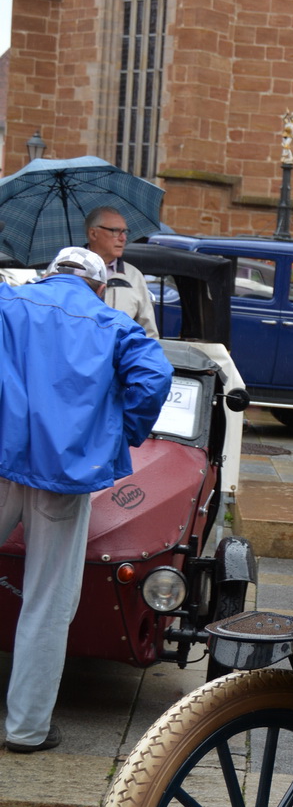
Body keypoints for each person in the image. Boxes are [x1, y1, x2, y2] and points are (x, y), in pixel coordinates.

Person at [0, 246, 172, 751]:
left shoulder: (9, 302)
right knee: (48, 601)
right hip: (64, 473)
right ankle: (27, 729)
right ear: (99, 287)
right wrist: (119, 434)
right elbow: (155, 376)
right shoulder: (111, 323)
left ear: (49, 274)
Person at [85, 206, 159, 337]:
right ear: (93, 234)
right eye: (115, 231)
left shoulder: (134, 276)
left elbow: (148, 333)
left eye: (125, 231)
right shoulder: (66, 270)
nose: (123, 238)